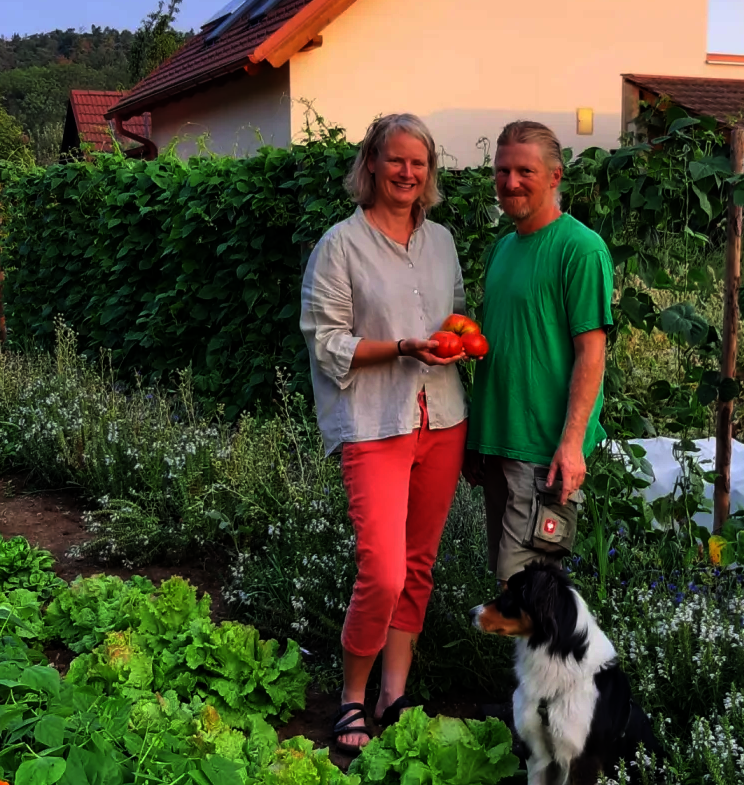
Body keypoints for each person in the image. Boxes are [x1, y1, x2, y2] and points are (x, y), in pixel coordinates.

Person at [299, 113, 468, 753]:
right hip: (374, 422)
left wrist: (454, 344)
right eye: (395, 160)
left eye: (418, 163)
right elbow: (325, 341)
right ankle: (351, 698)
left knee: (419, 566)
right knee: (384, 571)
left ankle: (394, 694)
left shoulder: (443, 241)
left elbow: (451, 317)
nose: (406, 172)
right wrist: (401, 347)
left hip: (442, 418)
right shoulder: (339, 245)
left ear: (429, 173)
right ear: (370, 163)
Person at [464, 120, 615, 584]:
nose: (510, 183)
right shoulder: (502, 248)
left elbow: (592, 354)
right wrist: (476, 437)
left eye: (525, 171)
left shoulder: (580, 249)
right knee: (508, 585)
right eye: (502, 171)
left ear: (555, 176)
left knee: (527, 594)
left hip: (545, 453)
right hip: (499, 442)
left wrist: (571, 445)